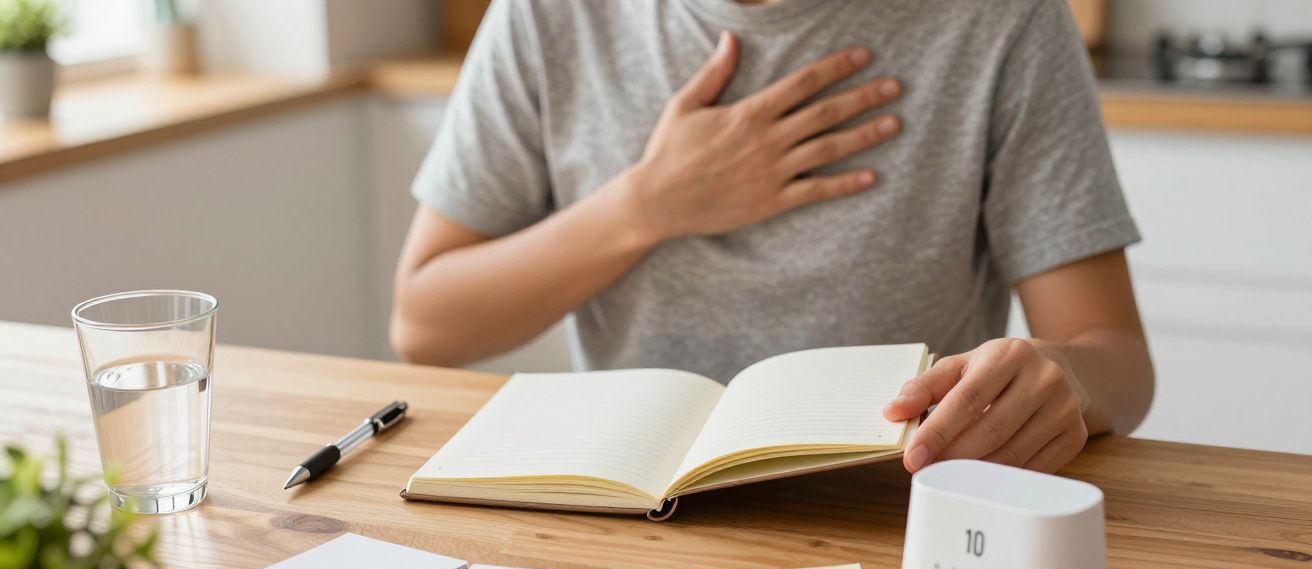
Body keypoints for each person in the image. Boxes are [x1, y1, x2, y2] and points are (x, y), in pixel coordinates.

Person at [390, 0, 1154, 475]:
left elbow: (1114, 358)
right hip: (619, 508)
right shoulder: (546, 17)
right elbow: (427, 322)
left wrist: (1065, 382)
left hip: (898, 511)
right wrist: (646, 205)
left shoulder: (1003, 19)